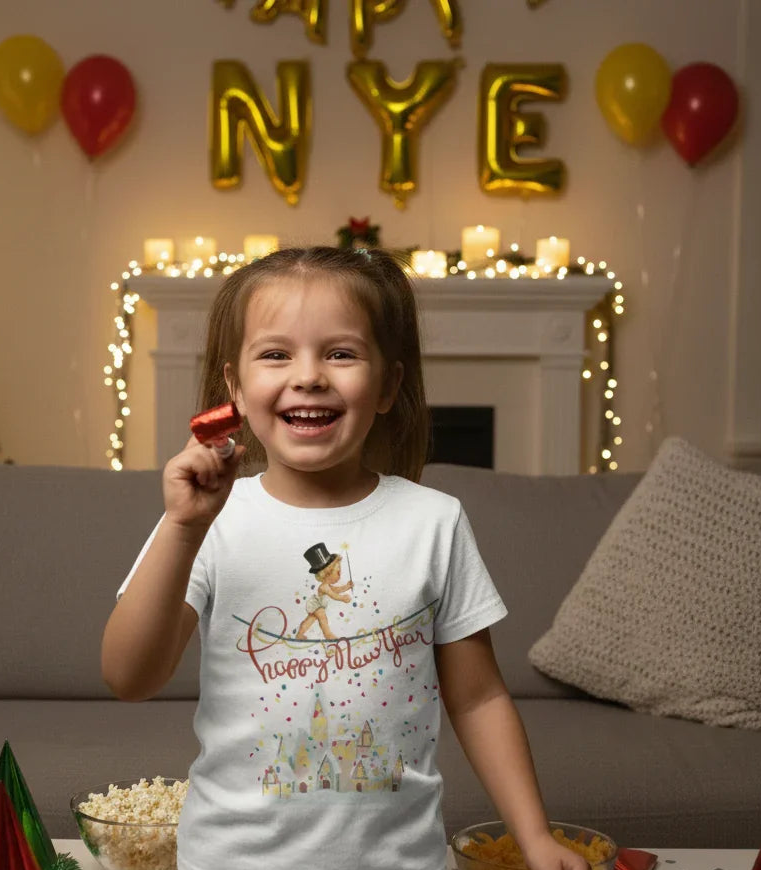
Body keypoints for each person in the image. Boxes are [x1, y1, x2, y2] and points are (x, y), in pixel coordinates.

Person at [101, 247, 588, 870]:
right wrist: (181, 527)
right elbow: (129, 677)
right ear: (235, 390)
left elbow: (478, 700)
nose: (309, 376)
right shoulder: (206, 521)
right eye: (276, 354)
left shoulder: (434, 522)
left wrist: (535, 837)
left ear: (388, 386)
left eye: (340, 353)